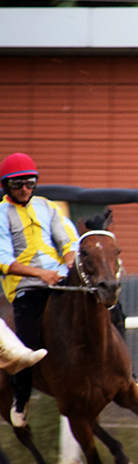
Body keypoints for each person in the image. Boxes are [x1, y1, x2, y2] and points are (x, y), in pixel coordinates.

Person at [0, 152, 75, 428]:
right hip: (27, 289)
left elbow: (68, 241)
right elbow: (4, 261)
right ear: (6, 186)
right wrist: (42, 274)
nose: (25, 190)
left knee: (107, 307)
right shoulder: (1, 215)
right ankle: (21, 398)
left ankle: (129, 375)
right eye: (18, 184)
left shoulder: (47, 206)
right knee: (26, 347)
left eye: (30, 183)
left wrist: (69, 260)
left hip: (60, 279)